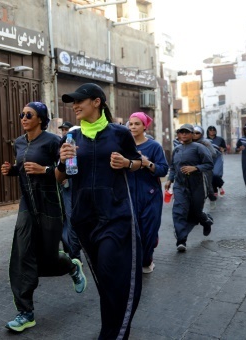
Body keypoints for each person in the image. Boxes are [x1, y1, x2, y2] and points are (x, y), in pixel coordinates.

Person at [57, 83, 143, 339]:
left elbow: (139, 162)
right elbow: (59, 176)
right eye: (72, 102)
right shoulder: (71, 138)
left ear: (97, 102)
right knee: (105, 279)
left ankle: (114, 333)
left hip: (116, 216)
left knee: (113, 272)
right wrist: (62, 160)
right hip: (85, 219)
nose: (74, 106)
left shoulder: (119, 134)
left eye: (79, 100)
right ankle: (112, 328)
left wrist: (127, 163)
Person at [1, 102, 86, 333]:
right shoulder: (19, 142)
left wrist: (44, 170)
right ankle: (25, 312)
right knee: (22, 254)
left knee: (46, 259)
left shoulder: (53, 141)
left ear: (41, 119)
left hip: (50, 203)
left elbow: (63, 173)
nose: (23, 117)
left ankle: (70, 265)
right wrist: (12, 170)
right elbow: (24, 168)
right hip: (27, 205)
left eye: (29, 114)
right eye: (22, 114)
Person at [127, 112, 169, 274]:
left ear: (145, 126)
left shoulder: (154, 146)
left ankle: (147, 259)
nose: (133, 127)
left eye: (137, 124)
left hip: (150, 195)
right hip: (129, 195)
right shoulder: (125, 147)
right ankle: (137, 259)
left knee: (149, 231)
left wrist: (147, 163)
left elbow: (163, 169)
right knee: (133, 232)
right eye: (130, 124)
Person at [165, 124, 214, 253]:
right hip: (180, 186)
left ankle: (205, 220)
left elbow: (209, 164)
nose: (184, 135)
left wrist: (195, 168)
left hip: (197, 185)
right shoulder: (177, 149)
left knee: (195, 213)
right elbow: (173, 168)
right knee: (179, 212)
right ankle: (181, 241)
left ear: (192, 134)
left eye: (187, 132)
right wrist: (170, 179)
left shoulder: (199, 148)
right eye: (181, 132)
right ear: (178, 134)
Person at [58, 121, 82, 262]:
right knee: (69, 219)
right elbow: (58, 165)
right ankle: (74, 254)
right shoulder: (63, 144)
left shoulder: (81, 144)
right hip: (67, 187)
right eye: (64, 129)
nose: (65, 131)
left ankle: (75, 253)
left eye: (67, 129)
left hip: (81, 187)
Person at [192, 126, 217, 209]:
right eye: (193, 133)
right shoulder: (189, 142)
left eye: (197, 133)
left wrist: (203, 154)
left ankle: (212, 199)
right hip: (193, 168)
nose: (195, 135)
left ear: (201, 134)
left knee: (208, 186)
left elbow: (213, 154)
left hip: (205, 167)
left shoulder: (205, 142)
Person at [206, 126, 227, 196]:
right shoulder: (205, 140)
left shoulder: (220, 139)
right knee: (211, 175)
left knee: (216, 174)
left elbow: (225, 148)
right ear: (208, 131)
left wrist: (223, 149)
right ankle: (216, 189)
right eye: (210, 130)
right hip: (209, 159)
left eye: (213, 130)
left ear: (215, 131)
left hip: (218, 158)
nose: (212, 132)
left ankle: (219, 186)